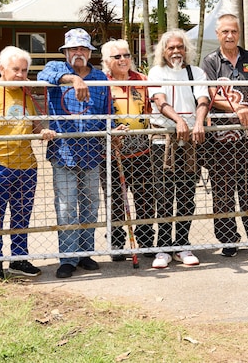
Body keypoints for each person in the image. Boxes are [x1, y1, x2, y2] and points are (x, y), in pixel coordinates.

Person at [0, 46, 56, 279]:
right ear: (2, 69)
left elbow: (34, 124)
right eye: (15, 69)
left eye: (24, 70)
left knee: (22, 215)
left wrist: (44, 131)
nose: (20, 74)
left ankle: (19, 258)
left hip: (27, 165)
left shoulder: (27, 92)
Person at [200, 14, 248, 259]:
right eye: (225, 32)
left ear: (239, 33)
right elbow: (211, 92)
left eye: (234, 31)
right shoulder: (210, 61)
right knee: (223, 190)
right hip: (222, 139)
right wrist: (236, 108)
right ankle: (229, 241)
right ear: (218, 34)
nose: (230, 36)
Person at [37, 28, 109, 278]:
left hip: (92, 151)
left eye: (83, 49)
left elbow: (106, 112)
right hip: (63, 151)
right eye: (73, 49)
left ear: (90, 52)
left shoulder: (101, 78)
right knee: (66, 207)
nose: (78, 53)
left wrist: (112, 130)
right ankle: (68, 257)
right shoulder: (55, 70)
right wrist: (74, 80)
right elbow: (43, 75)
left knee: (90, 205)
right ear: (66, 52)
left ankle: (85, 253)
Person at [147, 29, 210, 269]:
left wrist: (197, 122)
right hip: (162, 142)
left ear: (186, 50)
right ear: (164, 51)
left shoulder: (196, 72)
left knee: (186, 194)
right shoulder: (156, 72)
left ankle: (182, 244)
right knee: (163, 195)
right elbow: (159, 100)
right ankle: (163, 247)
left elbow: (202, 100)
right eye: (171, 47)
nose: (176, 51)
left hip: (189, 143)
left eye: (180, 47)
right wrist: (179, 121)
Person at [101, 39, 154, 258]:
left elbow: (151, 109)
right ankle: (116, 244)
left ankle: (146, 241)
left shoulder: (142, 80)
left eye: (126, 55)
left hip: (141, 151)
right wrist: (111, 129)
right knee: (114, 201)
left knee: (145, 197)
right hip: (112, 153)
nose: (123, 60)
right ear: (106, 61)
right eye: (117, 57)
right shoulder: (101, 82)